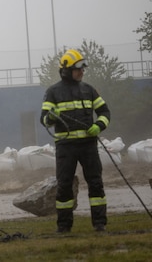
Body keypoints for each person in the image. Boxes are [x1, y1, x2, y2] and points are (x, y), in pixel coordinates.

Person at [40, 48, 111, 233]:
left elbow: (104, 112)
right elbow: (44, 120)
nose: (82, 72)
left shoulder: (89, 90)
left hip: (88, 146)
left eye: (83, 69)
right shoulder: (53, 92)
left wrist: (99, 126)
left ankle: (100, 224)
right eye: (78, 68)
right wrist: (52, 116)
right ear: (66, 70)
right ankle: (64, 227)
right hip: (66, 148)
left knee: (95, 183)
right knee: (64, 186)